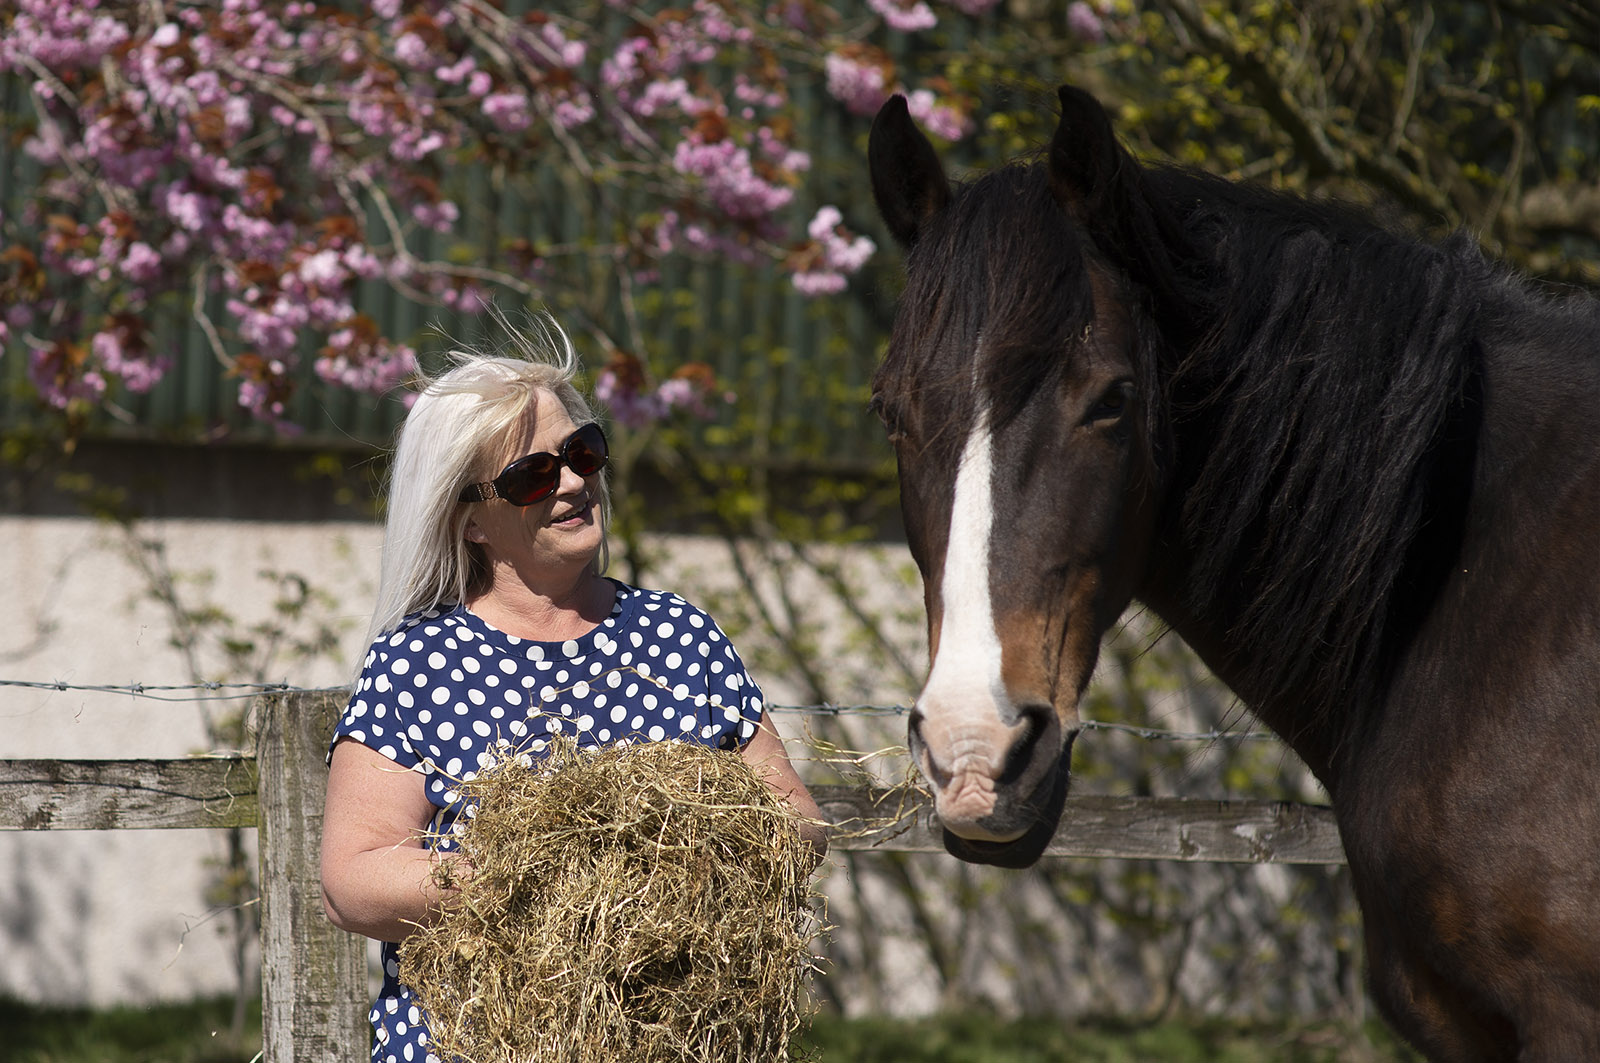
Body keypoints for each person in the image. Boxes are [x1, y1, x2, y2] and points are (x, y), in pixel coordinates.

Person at [320, 317, 826, 1063]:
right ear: (469, 520)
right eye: (532, 475)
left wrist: (691, 862)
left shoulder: (678, 635)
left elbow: (797, 821)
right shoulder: (418, 663)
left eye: (582, 451)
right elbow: (352, 878)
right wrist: (549, 872)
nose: (573, 480)